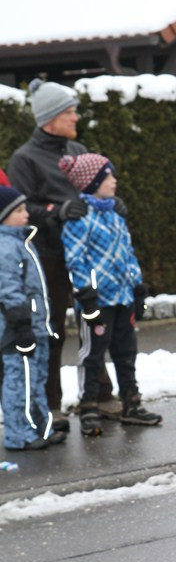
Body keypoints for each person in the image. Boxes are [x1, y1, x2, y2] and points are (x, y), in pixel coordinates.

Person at [7, 79, 119, 429]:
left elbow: (95, 190)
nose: (75, 117)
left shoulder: (77, 149)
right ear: (49, 117)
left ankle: (99, 395)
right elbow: (20, 208)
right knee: (53, 329)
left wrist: (112, 204)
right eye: (68, 111)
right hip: (48, 256)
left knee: (96, 322)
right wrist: (57, 211)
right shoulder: (24, 159)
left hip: (86, 254)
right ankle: (51, 404)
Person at [58, 152, 160, 436]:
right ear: (92, 182)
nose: (114, 181)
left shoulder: (115, 215)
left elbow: (127, 253)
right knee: (93, 354)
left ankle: (132, 402)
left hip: (123, 298)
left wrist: (137, 288)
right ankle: (88, 406)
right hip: (97, 301)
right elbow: (75, 260)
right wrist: (87, 295)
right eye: (108, 176)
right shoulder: (80, 218)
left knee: (126, 352)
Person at [0, 186, 66, 451]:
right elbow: (8, 289)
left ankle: (40, 427)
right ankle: (19, 434)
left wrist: (44, 325)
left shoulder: (22, 243)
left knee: (36, 379)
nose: (26, 214)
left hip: (36, 326)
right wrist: (21, 324)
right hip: (17, 330)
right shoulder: (5, 248)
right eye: (19, 210)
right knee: (19, 380)